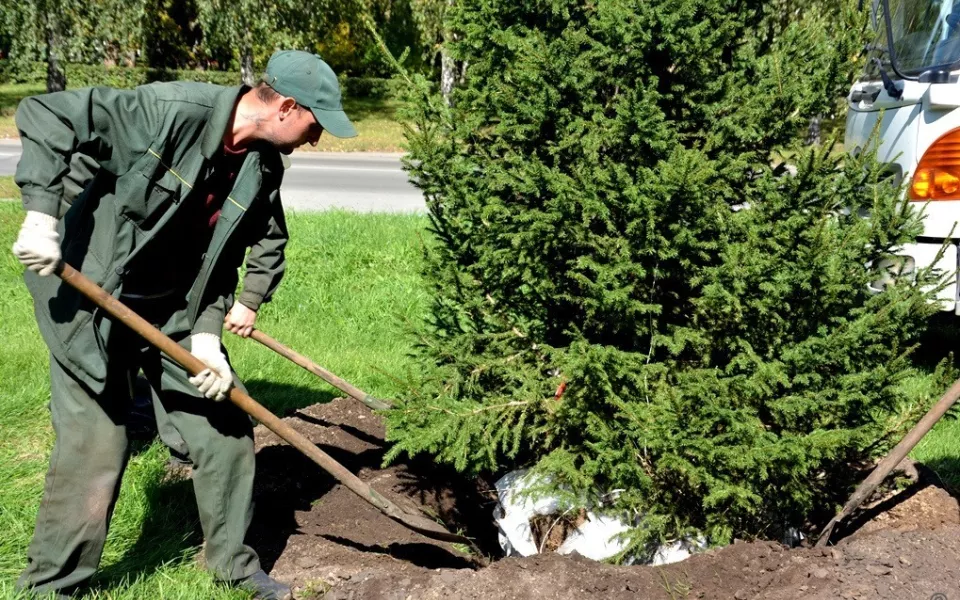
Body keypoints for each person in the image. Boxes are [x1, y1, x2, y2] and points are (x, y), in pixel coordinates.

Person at [10, 50, 357, 599]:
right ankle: (52, 587)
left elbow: (225, 257)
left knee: (225, 428)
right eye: (316, 124)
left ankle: (232, 568)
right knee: (98, 444)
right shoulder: (171, 110)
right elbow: (47, 113)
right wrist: (41, 213)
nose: (317, 138)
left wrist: (208, 337)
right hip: (90, 296)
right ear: (287, 107)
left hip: (171, 309)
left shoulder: (261, 168)